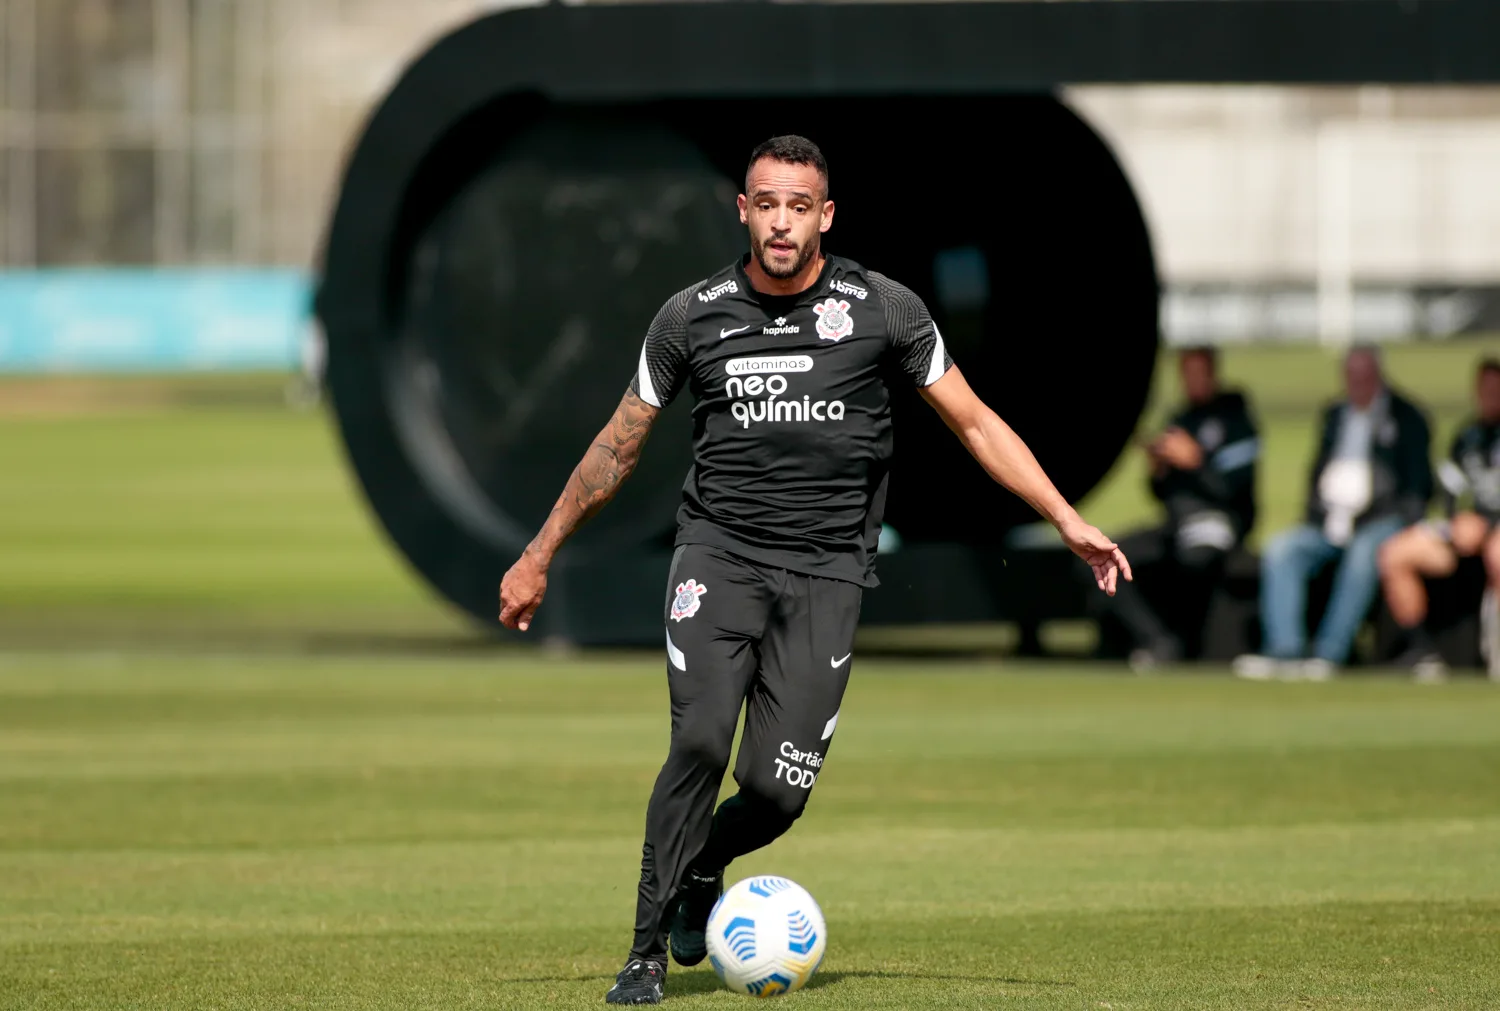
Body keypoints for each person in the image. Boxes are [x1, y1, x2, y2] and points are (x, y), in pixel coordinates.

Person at [496, 135, 1131, 1005]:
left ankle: (704, 866)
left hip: (829, 574)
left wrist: (1067, 520)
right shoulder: (692, 315)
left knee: (775, 792)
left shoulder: (885, 309)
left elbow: (976, 424)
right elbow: (618, 443)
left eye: (800, 206)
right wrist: (537, 554)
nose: (783, 221)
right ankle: (642, 956)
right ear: (744, 211)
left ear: (824, 215)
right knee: (700, 740)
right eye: (767, 203)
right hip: (717, 557)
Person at [1235, 346, 1432, 681]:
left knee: (1362, 553)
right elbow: (1318, 469)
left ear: (1378, 376)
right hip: (1328, 521)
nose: (1357, 384)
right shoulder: (1335, 414)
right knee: (1282, 549)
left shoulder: (1405, 417)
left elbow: (1416, 486)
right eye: (1351, 376)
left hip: (1380, 520)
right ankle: (1285, 649)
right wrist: (1317, 511)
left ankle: (1330, 652)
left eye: (1364, 376)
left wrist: (1392, 518)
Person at [1104, 346, 1258, 669]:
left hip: (1220, 520)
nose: (1192, 381)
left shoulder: (1236, 420)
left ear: (1213, 374)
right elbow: (1161, 494)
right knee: (1109, 559)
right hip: (1177, 523)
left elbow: (1234, 489)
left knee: (1195, 559)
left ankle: (1199, 647)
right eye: (1186, 375)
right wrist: (1159, 469)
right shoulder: (1180, 419)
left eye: (1199, 373)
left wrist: (1197, 462)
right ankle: (1157, 640)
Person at [1378, 358, 1500, 682]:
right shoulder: (1468, 437)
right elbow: (1449, 493)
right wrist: (1456, 521)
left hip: (1494, 531)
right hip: (1467, 530)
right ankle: (1423, 650)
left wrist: (1488, 525)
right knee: (1396, 552)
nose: (1490, 395)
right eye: (1484, 389)